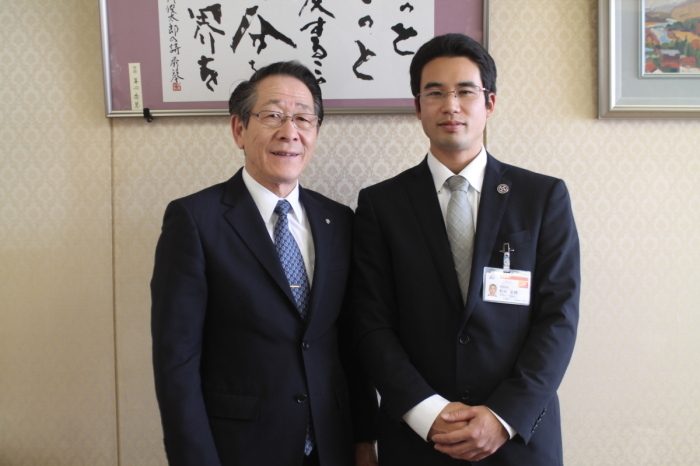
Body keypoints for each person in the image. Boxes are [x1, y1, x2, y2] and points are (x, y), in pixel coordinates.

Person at [352, 34, 580, 465]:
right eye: (434, 93)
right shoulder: (381, 205)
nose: (450, 105)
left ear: (489, 103)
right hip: (418, 440)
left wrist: (503, 416)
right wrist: (427, 412)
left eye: (465, 92)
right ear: (417, 107)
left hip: (518, 439)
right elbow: (370, 323)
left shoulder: (542, 197)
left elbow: (559, 317)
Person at [151, 61, 377, 466]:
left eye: (304, 119)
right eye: (273, 115)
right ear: (239, 129)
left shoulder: (339, 220)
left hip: (331, 446)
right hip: (240, 448)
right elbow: (176, 362)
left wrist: (364, 441)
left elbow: (351, 346)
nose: (290, 132)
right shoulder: (195, 220)